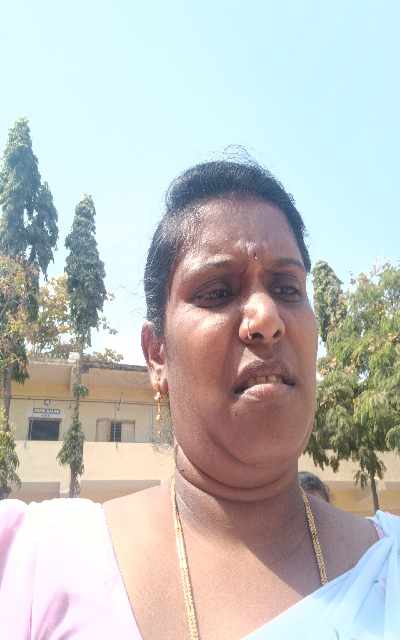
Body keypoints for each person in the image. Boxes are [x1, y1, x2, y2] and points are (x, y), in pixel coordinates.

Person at [1, 158, 399, 639]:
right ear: (157, 355)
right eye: (217, 292)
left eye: (287, 288)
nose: (266, 318)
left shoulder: (389, 569)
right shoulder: (35, 566)